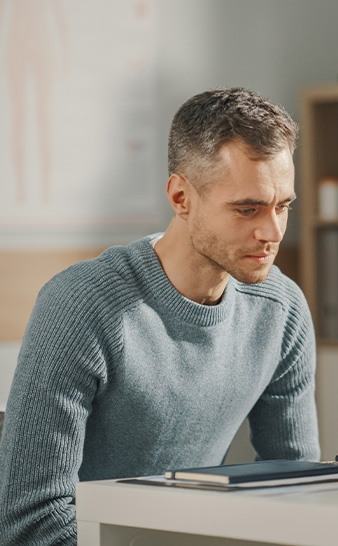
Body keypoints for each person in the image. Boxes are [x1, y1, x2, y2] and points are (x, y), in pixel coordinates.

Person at [0, 87, 319, 545]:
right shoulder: (81, 306)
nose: (271, 232)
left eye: (282, 206)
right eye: (246, 209)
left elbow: (298, 490)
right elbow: (32, 523)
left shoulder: (281, 310)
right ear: (181, 197)